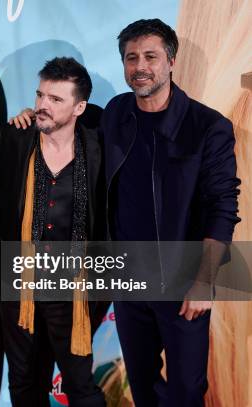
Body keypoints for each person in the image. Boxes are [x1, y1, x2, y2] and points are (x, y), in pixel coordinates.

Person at [101, 19, 240, 406]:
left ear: (171, 61)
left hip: (183, 284)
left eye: (150, 56)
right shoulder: (115, 113)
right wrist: (36, 115)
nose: (140, 66)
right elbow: (76, 130)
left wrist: (204, 282)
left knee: (185, 391)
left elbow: (223, 207)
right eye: (131, 58)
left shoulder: (208, 126)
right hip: (128, 282)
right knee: (143, 388)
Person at [2, 57, 108, 406]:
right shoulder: (15, 139)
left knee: (81, 388)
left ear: (80, 107)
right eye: (40, 95)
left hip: (74, 291)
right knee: (23, 385)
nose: (42, 105)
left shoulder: (98, 147)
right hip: (20, 287)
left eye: (56, 99)